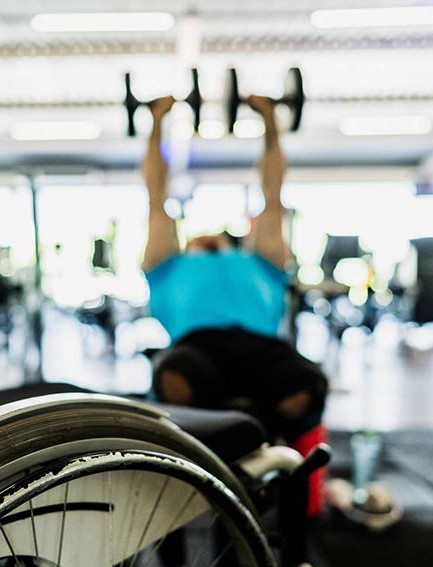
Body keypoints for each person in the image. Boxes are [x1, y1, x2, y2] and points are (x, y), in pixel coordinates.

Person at [141, 94, 329, 514]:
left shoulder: (260, 261)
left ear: (233, 240)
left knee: (309, 382)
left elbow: (273, 194)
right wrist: (157, 122)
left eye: (218, 233)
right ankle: (195, 457)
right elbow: (156, 194)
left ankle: (282, 464)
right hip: (198, 350)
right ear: (186, 242)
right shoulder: (167, 264)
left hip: (260, 351)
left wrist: (270, 121)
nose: (208, 236)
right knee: (172, 372)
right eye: (199, 234)